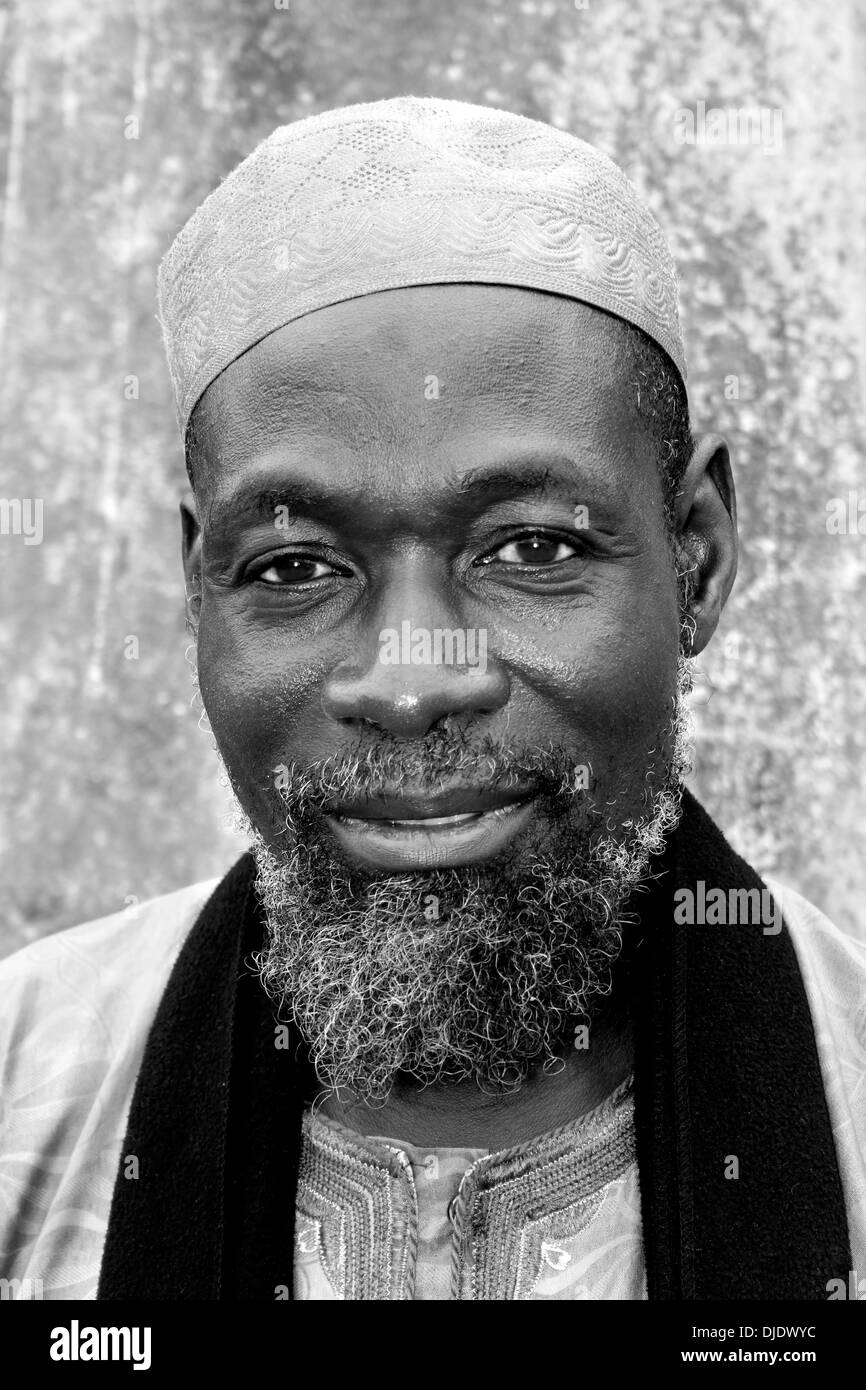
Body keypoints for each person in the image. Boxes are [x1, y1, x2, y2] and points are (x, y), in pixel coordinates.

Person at [1, 97, 863, 1303]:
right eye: (294, 568)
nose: (408, 683)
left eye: (529, 549)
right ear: (199, 588)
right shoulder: (24, 1087)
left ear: (698, 560)